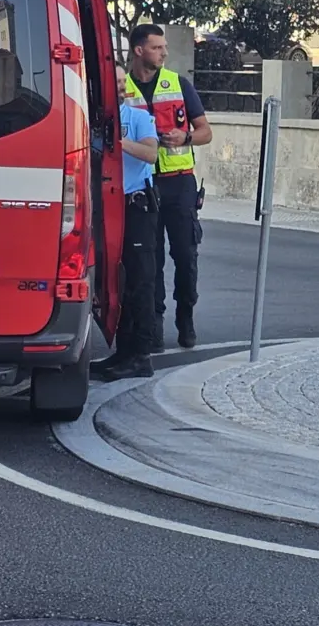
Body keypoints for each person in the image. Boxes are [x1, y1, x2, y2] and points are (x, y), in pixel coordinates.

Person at [120, 24, 213, 349]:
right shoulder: (122, 88)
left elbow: (206, 132)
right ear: (139, 50)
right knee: (150, 260)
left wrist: (185, 136)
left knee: (186, 255)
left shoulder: (179, 84)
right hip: (142, 186)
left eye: (164, 47)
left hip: (179, 184)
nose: (164, 52)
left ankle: (185, 316)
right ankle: (154, 323)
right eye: (157, 47)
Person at [91, 65, 162, 381]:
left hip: (136, 206)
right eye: (114, 82)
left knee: (140, 280)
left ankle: (140, 355)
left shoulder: (137, 118)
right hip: (108, 207)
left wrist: (119, 144)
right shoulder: (97, 120)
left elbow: (151, 153)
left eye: (123, 82)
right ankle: (123, 350)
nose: (120, 87)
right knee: (115, 282)